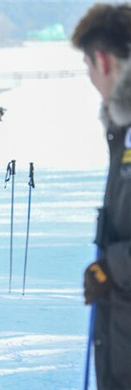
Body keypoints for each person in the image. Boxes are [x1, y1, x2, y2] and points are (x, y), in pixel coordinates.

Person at [72, 4, 131, 389]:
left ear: (104, 62)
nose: (91, 79)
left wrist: (115, 265)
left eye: (89, 67)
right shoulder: (123, 130)